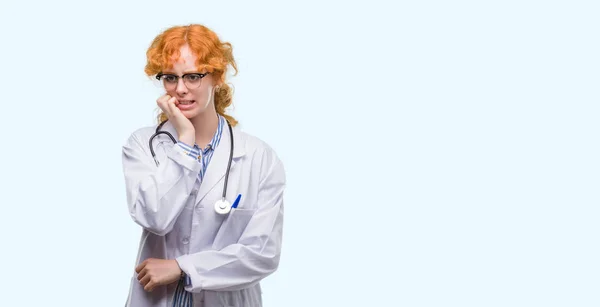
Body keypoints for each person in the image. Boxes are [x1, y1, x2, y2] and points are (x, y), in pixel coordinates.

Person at [121, 24, 286, 307]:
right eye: (170, 78)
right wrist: (185, 142)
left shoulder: (259, 157)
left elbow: (262, 254)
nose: (181, 89)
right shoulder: (143, 145)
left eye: (193, 76)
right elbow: (155, 218)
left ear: (217, 77)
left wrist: (182, 267)